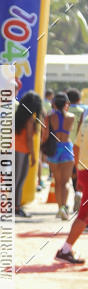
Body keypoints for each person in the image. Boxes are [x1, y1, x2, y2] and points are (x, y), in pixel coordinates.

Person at [56, 108, 88, 263]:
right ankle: (65, 249)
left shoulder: (86, 119)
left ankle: (66, 249)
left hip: (84, 170)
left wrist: (79, 171)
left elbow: (76, 147)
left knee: (84, 214)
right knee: (84, 215)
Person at [44, 92, 75, 220]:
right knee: (66, 181)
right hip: (67, 148)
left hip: (54, 149)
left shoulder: (49, 116)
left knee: (57, 181)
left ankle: (60, 208)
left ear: (54, 103)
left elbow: (45, 136)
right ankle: (64, 207)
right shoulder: (71, 117)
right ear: (66, 104)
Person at [14, 91, 41, 217]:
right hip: (22, 151)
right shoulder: (30, 120)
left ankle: (14, 206)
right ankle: (16, 207)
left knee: (15, 180)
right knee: (19, 180)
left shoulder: (17, 116)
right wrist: (34, 156)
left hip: (14, 149)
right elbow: (29, 139)